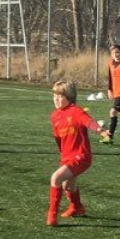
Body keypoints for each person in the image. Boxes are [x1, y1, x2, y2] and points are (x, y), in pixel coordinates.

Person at [48, 79, 104, 225]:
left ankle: (52, 216)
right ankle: (77, 208)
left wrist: (100, 130)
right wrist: (62, 155)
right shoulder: (54, 116)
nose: (56, 99)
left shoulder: (76, 111)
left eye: (60, 96)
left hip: (81, 155)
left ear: (69, 96)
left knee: (56, 178)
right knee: (68, 186)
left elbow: (89, 122)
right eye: (54, 95)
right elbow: (58, 138)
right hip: (67, 156)